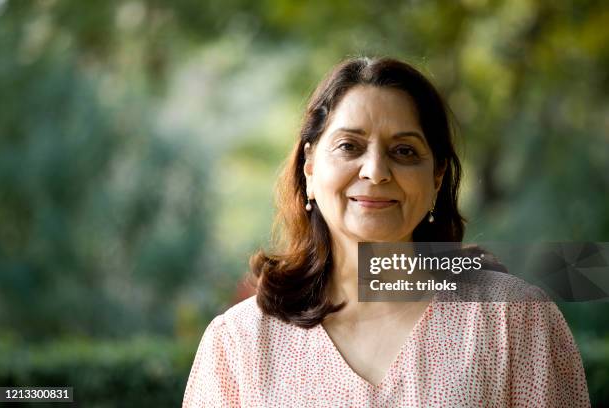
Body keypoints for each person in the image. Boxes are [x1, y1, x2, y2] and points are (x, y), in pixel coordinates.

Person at [182, 57, 590, 407]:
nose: (376, 171)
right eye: (349, 146)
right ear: (309, 168)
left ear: (436, 177)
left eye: (404, 151)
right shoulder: (239, 342)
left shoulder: (513, 319)